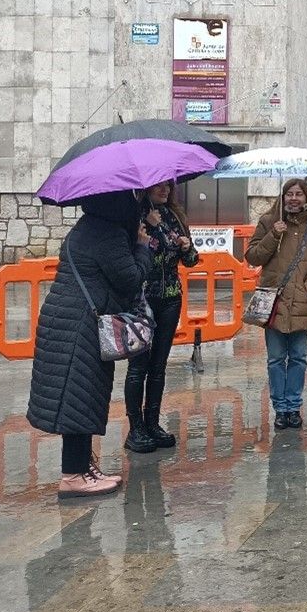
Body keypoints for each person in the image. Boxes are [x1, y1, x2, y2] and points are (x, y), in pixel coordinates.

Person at [29, 190, 151, 499]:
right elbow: (131, 279)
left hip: (68, 320)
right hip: (79, 325)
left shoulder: (86, 227)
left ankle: (83, 466)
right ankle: (73, 476)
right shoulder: (107, 235)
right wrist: (141, 245)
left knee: (82, 393)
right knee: (78, 395)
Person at [246, 179, 307, 431]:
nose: (294, 198)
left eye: (299, 194)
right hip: (273, 300)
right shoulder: (268, 221)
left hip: (301, 301)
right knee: (275, 359)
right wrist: (274, 234)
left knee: (298, 357)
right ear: (282, 198)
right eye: (289, 194)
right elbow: (253, 257)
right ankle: (280, 408)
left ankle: (293, 406)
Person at [123, 180, 198, 454]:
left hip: (170, 297)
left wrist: (187, 247)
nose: (165, 191)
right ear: (146, 187)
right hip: (142, 299)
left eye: (168, 186)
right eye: (159, 186)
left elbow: (191, 261)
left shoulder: (175, 216)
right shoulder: (135, 216)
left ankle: (153, 423)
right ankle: (136, 428)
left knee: (158, 365)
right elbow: (132, 254)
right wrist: (150, 225)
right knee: (138, 366)